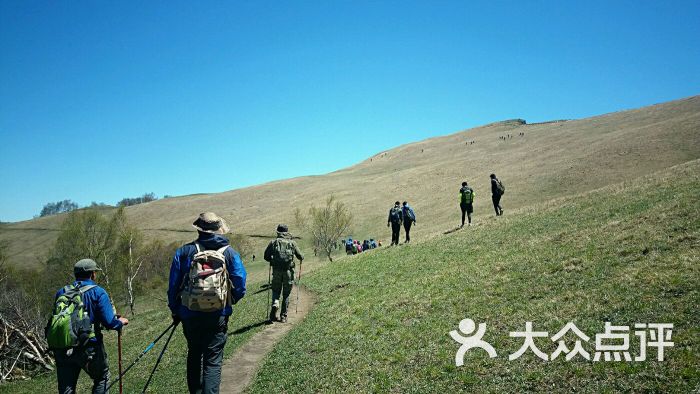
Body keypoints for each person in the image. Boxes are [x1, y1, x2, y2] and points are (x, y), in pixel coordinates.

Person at [168, 212, 247, 394]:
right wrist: (230, 300)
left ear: (199, 229)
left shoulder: (184, 252)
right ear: (218, 230)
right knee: (213, 361)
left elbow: (173, 286)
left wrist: (175, 310)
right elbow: (240, 284)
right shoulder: (229, 253)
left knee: (194, 355)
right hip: (218, 315)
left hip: (189, 314)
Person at [52, 258, 129, 394]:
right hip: (89, 347)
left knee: (66, 387)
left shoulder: (62, 292)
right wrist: (120, 322)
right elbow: (109, 322)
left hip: (63, 347)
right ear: (92, 274)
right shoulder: (98, 292)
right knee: (102, 378)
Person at [264, 224, 303, 323]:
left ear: (278, 232)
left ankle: (275, 304)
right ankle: (283, 316)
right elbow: (300, 256)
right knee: (286, 294)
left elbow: (266, 256)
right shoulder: (292, 243)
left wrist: (272, 260)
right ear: (287, 232)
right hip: (288, 272)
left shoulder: (273, 242)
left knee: (276, 291)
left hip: (276, 272)